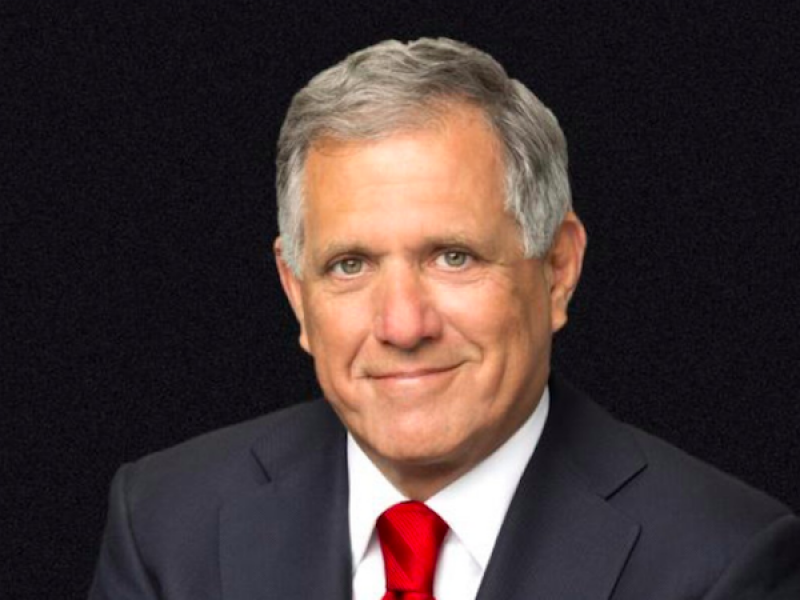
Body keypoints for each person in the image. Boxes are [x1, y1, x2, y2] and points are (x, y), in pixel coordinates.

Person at [90, 38, 800, 600]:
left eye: (453, 257)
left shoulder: (723, 562)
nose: (403, 326)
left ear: (557, 269)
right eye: (350, 265)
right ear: (296, 293)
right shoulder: (163, 527)